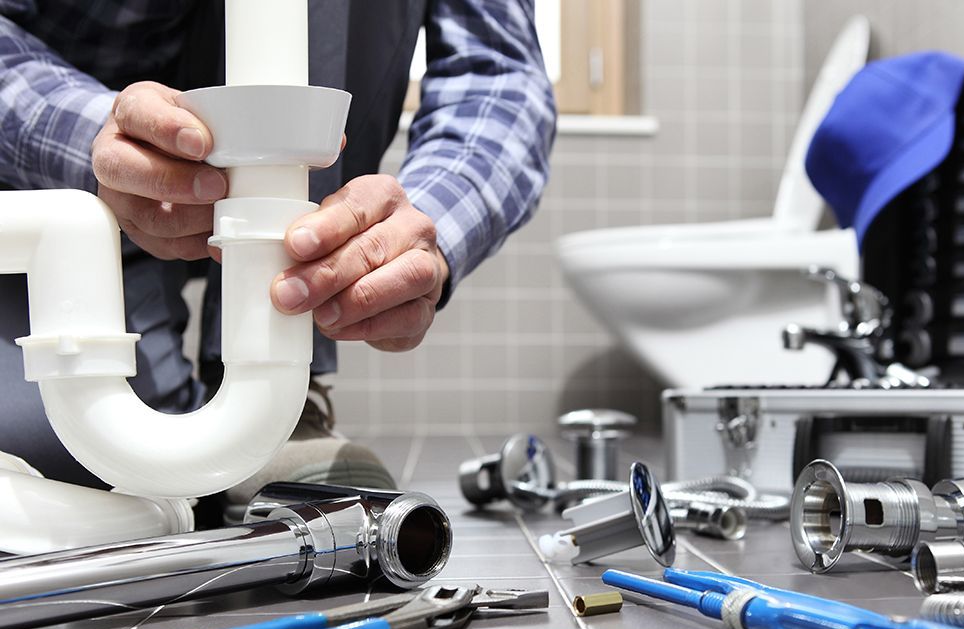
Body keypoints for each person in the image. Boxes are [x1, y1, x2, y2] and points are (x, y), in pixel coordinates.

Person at [0, 0, 555, 516]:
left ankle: (275, 394)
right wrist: (95, 142)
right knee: (50, 442)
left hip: (272, 222)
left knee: (155, 473)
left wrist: (410, 231)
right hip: (46, 205)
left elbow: (499, 74)